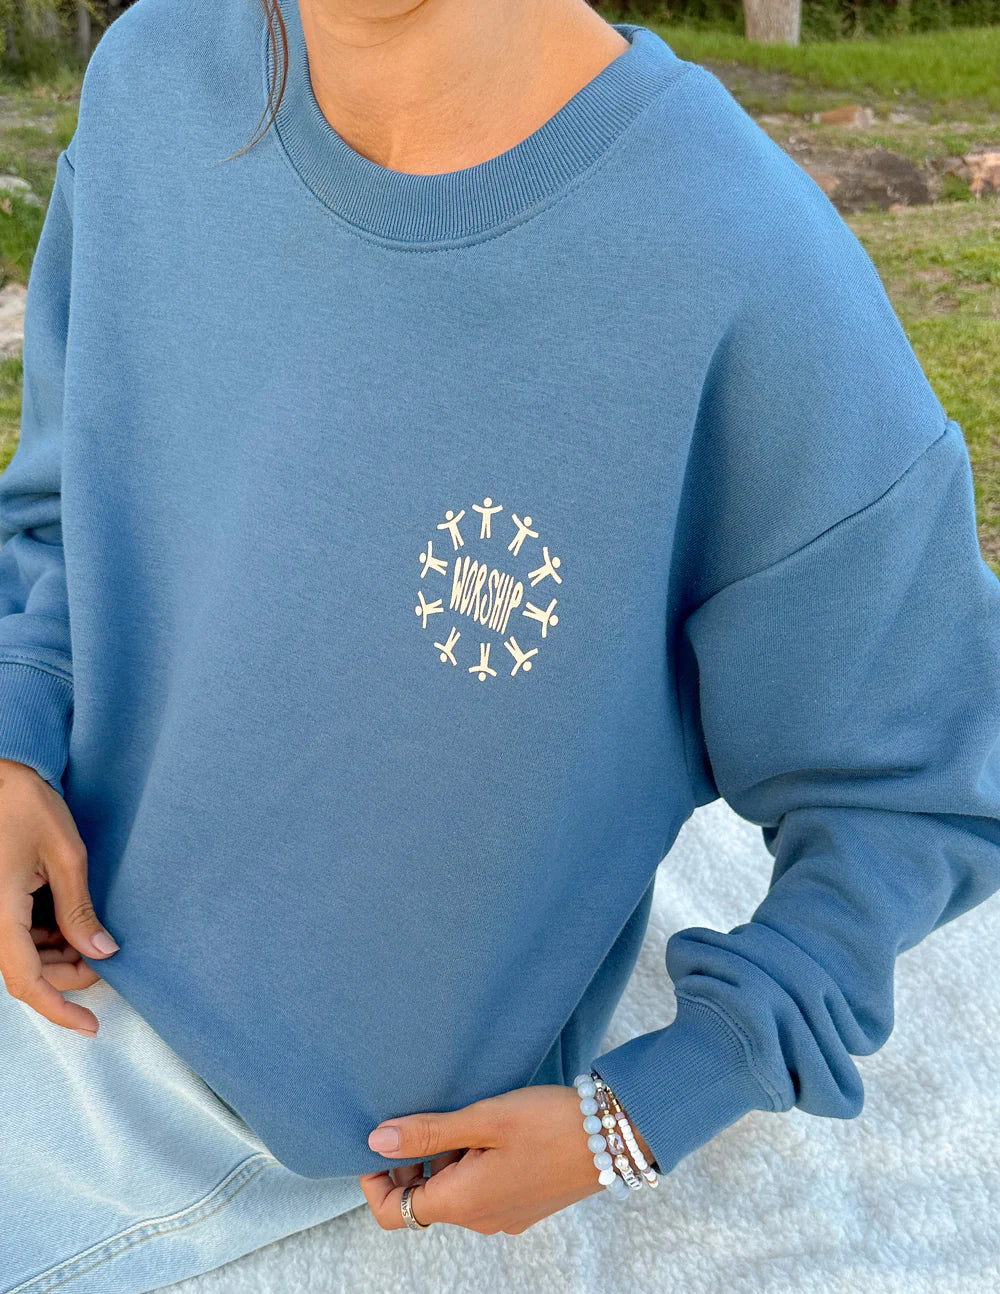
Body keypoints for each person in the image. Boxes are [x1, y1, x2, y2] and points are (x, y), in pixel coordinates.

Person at [2, 0, 999, 1287]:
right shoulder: (154, 79)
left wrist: (655, 1103)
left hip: (298, 1132)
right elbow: (65, 502)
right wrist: (17, 724)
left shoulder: (742, 264)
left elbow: (922, 787)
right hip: (54, 956)